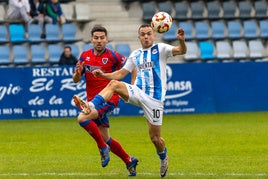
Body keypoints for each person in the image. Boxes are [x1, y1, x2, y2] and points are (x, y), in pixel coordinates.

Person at [73, 24, 187, 177]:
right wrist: (104, 76)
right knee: (114, 84)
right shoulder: (135, 54)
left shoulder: (161, 48)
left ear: (153, 36)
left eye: (148, 34)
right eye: (143, 34)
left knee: (155, 138)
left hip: (154, 99)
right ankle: (90, 105)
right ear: (138, 37)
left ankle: (163, 156)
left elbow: (182, 51)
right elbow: (120, 75)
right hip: (138, 91)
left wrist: (181, 41)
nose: (146, 36)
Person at [72, 25, 138, 176]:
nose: (99, 41)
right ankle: (129, 160)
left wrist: (133, 85)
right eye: (96, 38)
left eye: (102, 38)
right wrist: (76, 73)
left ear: (107, 39)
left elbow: (133, 66)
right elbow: (76, 80)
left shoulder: (114, 56)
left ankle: (102, 148)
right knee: (106, 137)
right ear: (91, 40)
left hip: (110, 99)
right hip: (92, 101)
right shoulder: (85, 56)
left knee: (82, 118)